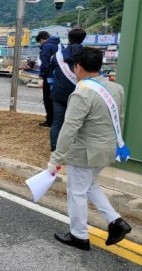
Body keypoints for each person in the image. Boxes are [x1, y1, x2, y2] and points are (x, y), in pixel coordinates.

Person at [48, 48, 131, 251]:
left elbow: (69, 129)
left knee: (76, 192)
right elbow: (119, 118)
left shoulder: (82, 92)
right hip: (108, 149)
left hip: (85, 152)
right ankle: (116, 222)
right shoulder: (116, 88)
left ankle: (79, 236)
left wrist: (56, 159)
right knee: (89, 185)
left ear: (78, 68)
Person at [48, 28, 85, 151]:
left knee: (57, 123)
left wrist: (51, 87)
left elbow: (49, 76)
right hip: (81, 94)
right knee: (77, 124)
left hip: (59, 94)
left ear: (69, 39)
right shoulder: (88, 55)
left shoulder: (57, 56)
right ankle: (72, 149)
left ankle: (55, 149)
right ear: (83, 39)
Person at [36, 31, 61, 127]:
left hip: (49, 77)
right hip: (58, 76)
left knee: (47, 99)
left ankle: (50, 120)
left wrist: (42, 77)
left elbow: (45, 63)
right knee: (55, 99)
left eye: (40, 42)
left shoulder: (46, 47)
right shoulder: (58, 45)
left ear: (41, 40)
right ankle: (56, 119)